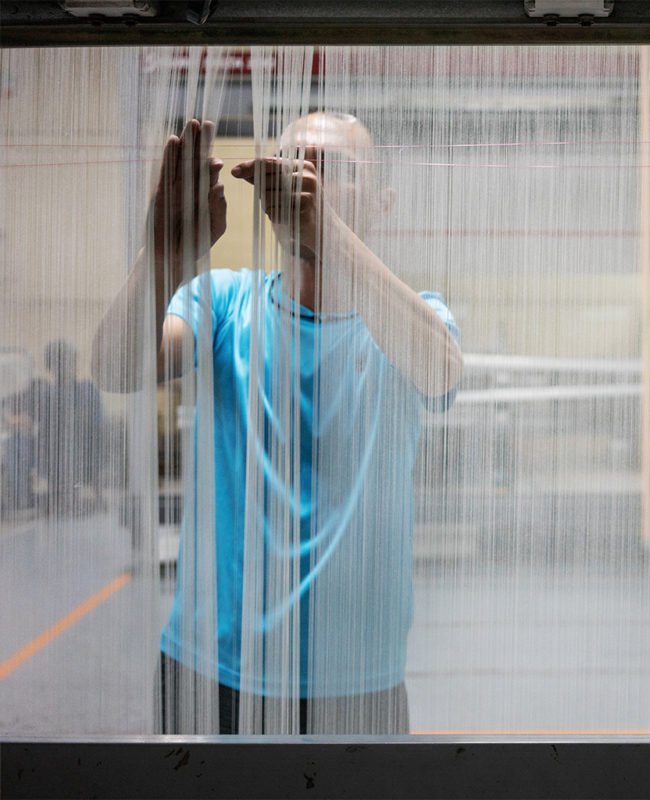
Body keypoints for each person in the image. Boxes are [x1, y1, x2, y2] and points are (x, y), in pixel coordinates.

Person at [93, 113, 463, 734]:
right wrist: (160, 256)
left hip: (355, 683)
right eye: (293, 162)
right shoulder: (225, 301)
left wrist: (333, 236)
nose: (307, 180)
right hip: (212, 673)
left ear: (384, 203)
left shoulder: (412, 317)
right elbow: (114, 367)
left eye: (335, 171)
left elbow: (441, 371)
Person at [2, 341, 103, 516]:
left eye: (65, 361)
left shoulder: (86, 391)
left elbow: (92, 427)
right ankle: (23, 501)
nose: (62, 366)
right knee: (16, 442)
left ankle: (39, 498)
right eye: (57, 362)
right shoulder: (46, 392)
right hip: (51, 451)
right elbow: (31, 420)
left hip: (76, 451)